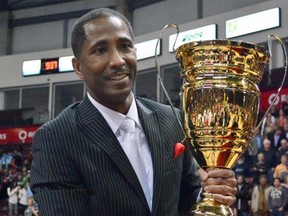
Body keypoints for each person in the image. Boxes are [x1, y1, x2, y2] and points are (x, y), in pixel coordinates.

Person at [30, 8, 237, 215]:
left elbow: (186, 196)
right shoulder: (56, 138)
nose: (118, 60)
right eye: (100, 50)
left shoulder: (171, 119)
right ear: (78, 67)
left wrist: (209, 196)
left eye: (125, 46)